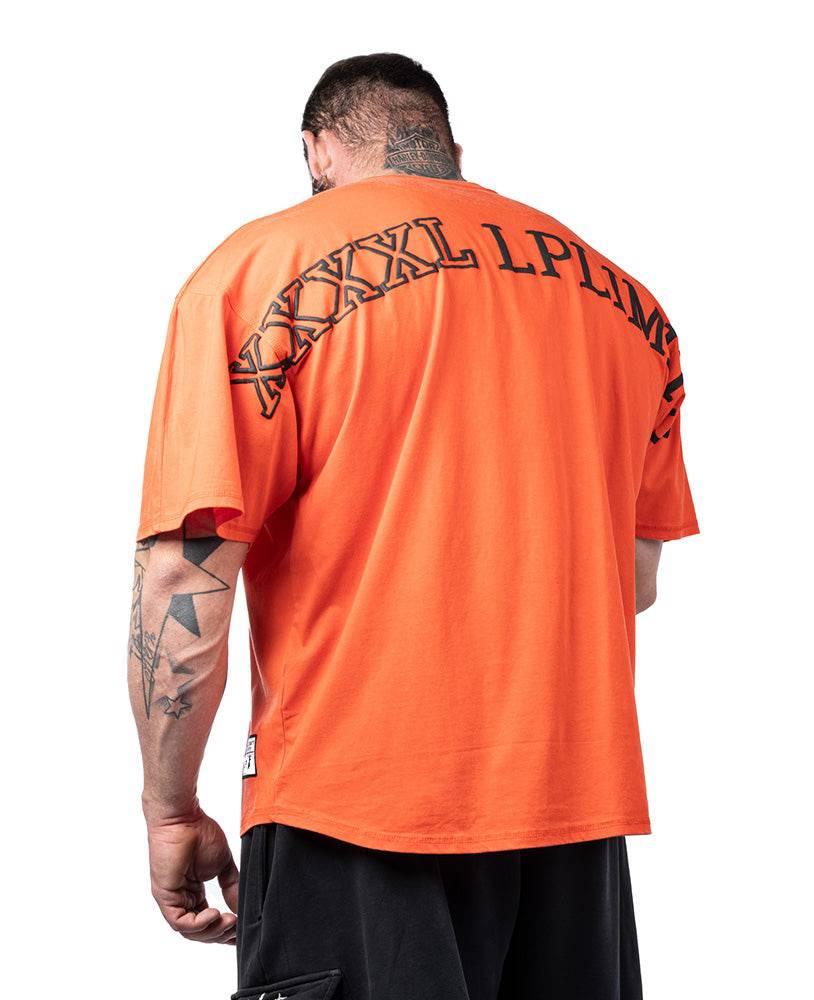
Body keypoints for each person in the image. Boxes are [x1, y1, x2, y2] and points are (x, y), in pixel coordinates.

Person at [129, 52, 698, 1000]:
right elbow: (631, 580)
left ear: (317, 150)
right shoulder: (628, 306)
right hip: (573, 821)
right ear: (451, 152)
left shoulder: (257, 275)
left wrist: (170, 809)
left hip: (352, 810)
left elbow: (184, 577)